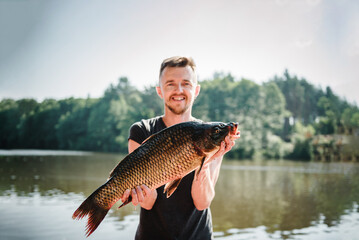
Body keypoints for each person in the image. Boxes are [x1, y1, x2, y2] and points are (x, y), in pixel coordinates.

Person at [121, 56, 238, 240]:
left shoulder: (210, 135)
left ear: (196, 90)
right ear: (160, 91)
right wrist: (139, 195)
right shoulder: (141, 130)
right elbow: (149, 203)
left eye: (186, 83)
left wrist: (207, 160)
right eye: (170, 84)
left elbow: (202, 202)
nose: (179, 90)